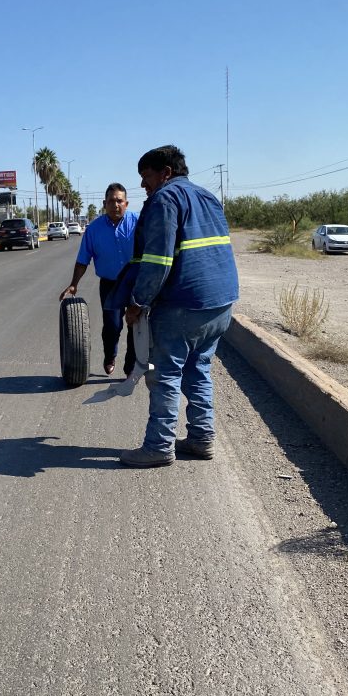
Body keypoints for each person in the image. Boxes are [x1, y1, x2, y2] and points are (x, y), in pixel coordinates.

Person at [117, 145, 239, 468]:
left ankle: (159, 446)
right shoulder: (208, 198)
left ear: (166, 173)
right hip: (221, 304)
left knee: (165, 375)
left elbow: (158, 261)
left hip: (183, 304)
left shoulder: (164, 199)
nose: (143, 185)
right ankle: (201, 438)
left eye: (146, 176)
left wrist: (137, 302)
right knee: (198, 369)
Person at [59, 184, 139, 376]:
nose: (115, 205)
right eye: (111, 201)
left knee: (136, 324)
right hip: (110, 284)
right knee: (112, 325)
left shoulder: (139, 222)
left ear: (126, 203)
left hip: (136, 283)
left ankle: (130, 366)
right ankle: (110, 355)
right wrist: (74, 284)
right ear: (104, 203)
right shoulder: (94, 229)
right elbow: (83, 260)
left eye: (119, 201)